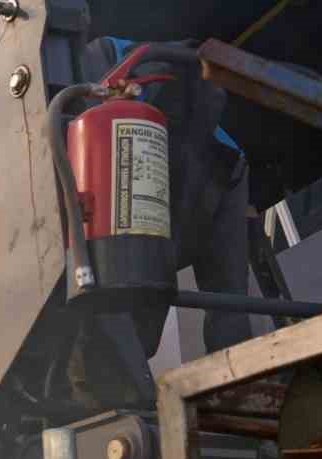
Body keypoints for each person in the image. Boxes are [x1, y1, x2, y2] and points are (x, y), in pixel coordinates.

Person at [83, 36, 254, 353]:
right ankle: (236, 378)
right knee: (227, 302)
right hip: (213, 165)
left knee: (147, 288)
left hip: (193, 167)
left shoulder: (102, 55)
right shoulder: (121, 56)